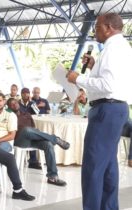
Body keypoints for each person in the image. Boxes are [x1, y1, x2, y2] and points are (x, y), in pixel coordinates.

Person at [67, 13, 132, 210]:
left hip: (107, 109)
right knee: (108, 167)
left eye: (96, 27)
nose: (95, 31)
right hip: (116, 109)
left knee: (93, 167)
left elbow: (108, 84)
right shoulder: (121, 47)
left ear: (108, 27)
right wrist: (95, 66)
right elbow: (112, 80)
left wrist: (78, 79)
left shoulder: (113, 49)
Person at [7, 98, 68, 186]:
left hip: (32, 140)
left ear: (18, 103)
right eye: (12, 104)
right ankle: (55, 139)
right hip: (19, 141)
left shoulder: (27, 114)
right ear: (9, 107)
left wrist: (39, 136)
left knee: (48, 144)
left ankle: (52, 177)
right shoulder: (9, 116)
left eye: (15, 103)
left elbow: (35, 130)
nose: (15, 105)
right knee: (26, 130)